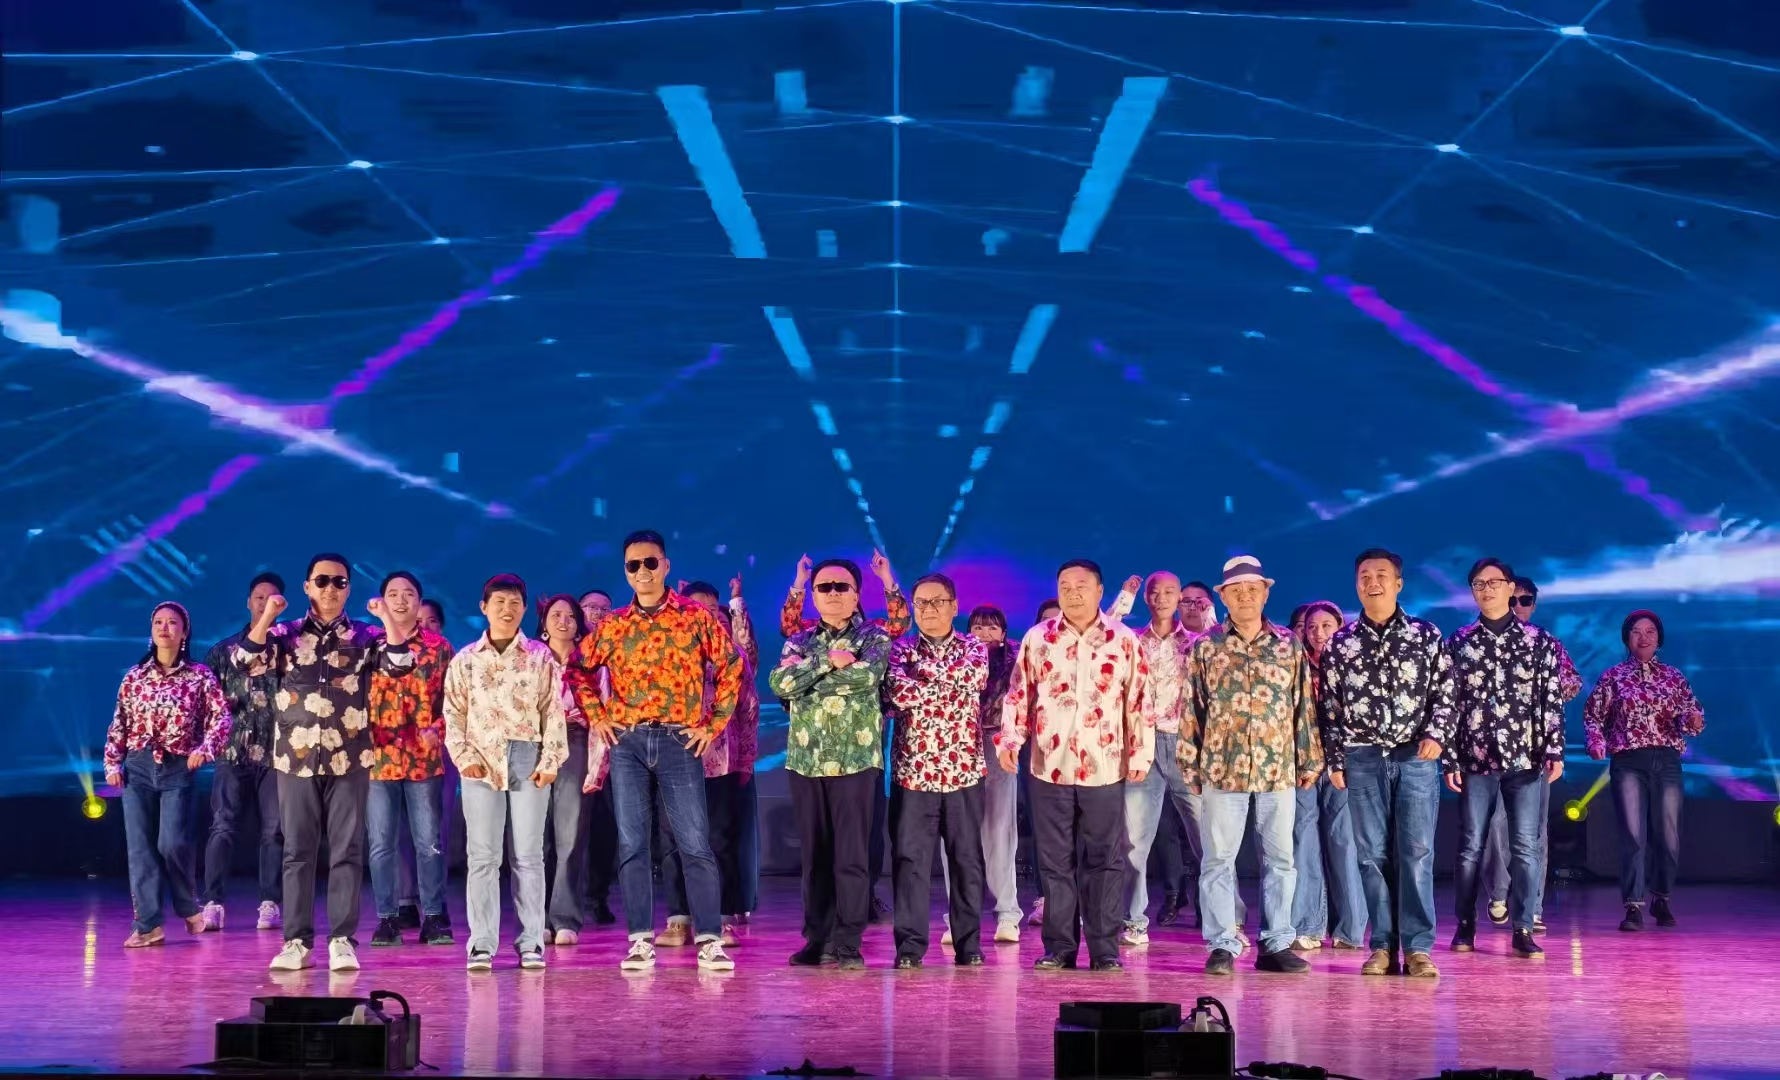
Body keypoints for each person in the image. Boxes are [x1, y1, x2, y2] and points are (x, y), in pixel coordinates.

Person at [568, 530, 743, 973]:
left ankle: (709, 940)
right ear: (626, 572)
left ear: (666, 565)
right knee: (632, 844)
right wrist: (598, 715)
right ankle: (640, 941)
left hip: (679, 739)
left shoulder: (694, 617)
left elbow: (731, 664)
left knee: (694, 843)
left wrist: (713, 725)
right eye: (634, 565)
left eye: (650, 562)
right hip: (627, 742)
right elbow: (578, 669)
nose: (643, 571)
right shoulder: (614, 625)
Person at [235, 553, 418, 973]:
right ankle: (296, 942)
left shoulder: (366, 635)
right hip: (296, 758)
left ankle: (341, 940)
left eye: (339, 582)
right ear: (307, 587)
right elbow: (245, 662)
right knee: (297, 851)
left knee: (347, 851)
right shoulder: (284, 634)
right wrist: (267, 616)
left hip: (349, 757)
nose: (331, 589)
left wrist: (387, 616)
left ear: (348, 588)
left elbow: (401, 664)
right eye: (322, 581)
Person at [997, 559, 1150, 972]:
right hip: (1049, 763)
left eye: (1082, 585)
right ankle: (1060, 947)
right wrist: (1011, 739)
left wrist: (1140, 752)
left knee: (1105, 858)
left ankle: (1104, 949)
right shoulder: (1039, 637)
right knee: (1054, 859)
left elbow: (1138, 699)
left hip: (1105, 763)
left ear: (1100, 591)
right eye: (1065, 585)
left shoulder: (1123, 639)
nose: (1073, 592)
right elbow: (1019, 693)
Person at [1319, 548, 1453, 978]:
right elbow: (1330, 706)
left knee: (1416, 852)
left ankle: (1417, 948)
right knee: (1371, 855)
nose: (1372, 582)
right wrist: (1335, 759)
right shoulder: (1341, 642)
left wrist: (1436, 734)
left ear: (1398, 583)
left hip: (1415, 755)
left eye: (1381, 574)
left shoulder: (1425, 635)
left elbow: (1446, 692)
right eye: (1364, 575)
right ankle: (1381, 945)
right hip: (1362, 756)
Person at [1182, 556, 1320, 975]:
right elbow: (1192, 708)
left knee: (1281, 860)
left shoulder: (1288, 644)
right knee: (1217, 860)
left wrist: (1309, 757)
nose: (1245, 596)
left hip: (1277, 767)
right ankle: (1222, 943)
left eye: (1252, 589)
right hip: (1222, 768)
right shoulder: (1206, 646)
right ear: (1224, 597)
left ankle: (1277, 942)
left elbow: (1303, 705)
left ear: (1265, 594)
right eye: (1236, 590)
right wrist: (1190, 765)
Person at [772, 557, 894, 970]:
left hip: (856, 759)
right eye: (824, 587)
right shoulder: (800, 639)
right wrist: (827, 661)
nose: (833, 594)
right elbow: (780, 682)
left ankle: (847, 942)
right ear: (814, 595)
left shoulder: (873, 635)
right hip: (806, 760)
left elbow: (867, 677)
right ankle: (816, 939)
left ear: (856, 594)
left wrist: (807, 677)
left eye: (842, 587)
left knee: (852, 857)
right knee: (815, 857)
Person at [443, 574, 569, 971]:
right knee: (482, 856)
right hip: (480, 759)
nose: (507, 609)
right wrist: (464, 757)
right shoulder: (465, 660)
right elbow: (453, 714)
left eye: (515, 602)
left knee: (529, 856)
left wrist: (550, 761)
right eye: (499, 602)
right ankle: (481, 943)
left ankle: (531, 942)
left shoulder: (539, 656)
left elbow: (553, 710)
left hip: (527, 755)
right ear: (484, 607)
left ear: (525, 608)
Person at [1447, 557, 1566, 959]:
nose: (1487, 590)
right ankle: (1465, 926)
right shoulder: (1460, 641)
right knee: (1470, 846)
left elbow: (1550, 698)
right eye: (1479, 584)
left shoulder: (1538, 641)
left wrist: (1554, 749)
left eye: (1494, 583)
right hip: (1476, 758)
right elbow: (1448, 704)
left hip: (1525, 757)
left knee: (1525, 846)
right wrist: (1450, 759)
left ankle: (1523, 926)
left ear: (1511, 588)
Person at [106, 602, 231, 948]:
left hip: (177, 767)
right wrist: (113, 763)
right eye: (158, 622)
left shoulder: (199, 676)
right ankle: (148, 925)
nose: (164, 628)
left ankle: (187, 905)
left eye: (172, 623)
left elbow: (222, 717)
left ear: (184, 631)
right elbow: (120, 721)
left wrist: (205, 749)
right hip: (137, 767)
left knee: (171, 843)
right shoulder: (135, 676)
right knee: (141, 849)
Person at [884, 573, 990, 968]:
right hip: (913, 772)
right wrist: (946, 685)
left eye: (937, 601)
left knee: (966, 861)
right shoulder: (899, 649)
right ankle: (910, 948)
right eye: (921, 603)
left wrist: (922, 680)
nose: (928, 609)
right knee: (909, 862)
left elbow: (974, 678)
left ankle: (969, 945)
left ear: (954, 606)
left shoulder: (973, 646)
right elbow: (897, 692)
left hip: (963, 771)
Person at [1584, 610, 1703, 932]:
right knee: (1633, 836)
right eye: (1636, 631)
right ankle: (1633, 906)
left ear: (1659, 638)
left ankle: (1661, 897)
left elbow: (1691, 715)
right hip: (1628, 762)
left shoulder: (1673, 676)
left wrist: (1693, 721)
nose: (1644, 637)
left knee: (1668, 836)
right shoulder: (1613, 676)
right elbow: (1593, 715)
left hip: (1666, 760)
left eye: (1650, 631)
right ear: (1627, 638)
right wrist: (1596, 741)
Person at [1477, 576, 1584, 931]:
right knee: (1495, 825)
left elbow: (1570, 684)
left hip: (1533, 750)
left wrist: (1539, 690)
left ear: (1534, 605)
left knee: (1534, 831)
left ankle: (1532, 907)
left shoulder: (1545, 642)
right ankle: (1498, 892)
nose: (1519, 606)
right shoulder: (1480, 639)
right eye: (1514, 600)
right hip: (1490, 751)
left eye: (1526, 601)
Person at [658, 577, 760, 949]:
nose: (706, 615)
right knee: (673, 840)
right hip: (672, 760)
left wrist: (745, 760)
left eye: (713, 609)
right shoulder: (664, 651)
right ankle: (679, 918)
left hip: (721, 761)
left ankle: (721, 917)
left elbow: (749, 710)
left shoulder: (731, 656)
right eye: (697, 608)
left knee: (719, 838)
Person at [365, 571, 455, 948]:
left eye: (409, 594)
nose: (401, 600)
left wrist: (439, 728)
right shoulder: (368, 645)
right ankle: (387, 919)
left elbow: (453, 700)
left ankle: (433, 917)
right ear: (382, 601)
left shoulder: (439, 647)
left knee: (428, 841)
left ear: (419, 602)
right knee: (381, 843)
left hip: (423, 758)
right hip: (379, 757)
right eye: (393, 594)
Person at [1114, 572, 1201, 948]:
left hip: (1185, 746)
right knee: (1134, 840)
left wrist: (1207, 613)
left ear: (1180, 598)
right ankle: (1133, 920)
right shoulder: (1133, 640)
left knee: (1208, 839)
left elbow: (1220, 644)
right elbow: (1104, 632)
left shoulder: (1196, 642)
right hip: (1143, 745)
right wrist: (1125, 597)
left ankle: (1226, 919)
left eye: (1169, 592)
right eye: (1155, 592)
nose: (1162, 597)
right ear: (1147, 598)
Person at [200, 572, 285, 933]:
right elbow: (205, 700)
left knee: (274, 830)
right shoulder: (224, 651)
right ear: (249, 602)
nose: (265, 603)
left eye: (272, 598)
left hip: (277, 753)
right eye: (258, 597)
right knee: (223, 825)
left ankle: (270, 902)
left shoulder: (290, 649)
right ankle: (213, 902)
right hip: (232, 751)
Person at [1289, 601, 1366, 953]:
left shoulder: (1354, 663)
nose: (1318, 633)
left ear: (1340, 627)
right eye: (1311, 627)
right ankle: (1307, 924)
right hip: (1303, 764)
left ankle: (1350, 928)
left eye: (1326, 626)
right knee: (1303, 841)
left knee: (1344, 841)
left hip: (1344, 764)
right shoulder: (1296, 664)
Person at [535, 595, 601, 946]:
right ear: (544, 623)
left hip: (576, 739)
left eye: (570, 616)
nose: (563, 621)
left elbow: (604, 708)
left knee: (571, 834)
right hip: (534, 743)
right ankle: (537, 917)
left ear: (578, 624)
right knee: (535, 836)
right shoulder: (530, 658)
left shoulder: (591, 660)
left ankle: (565, 917)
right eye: (555, 615)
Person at [575, 589, 620, 926]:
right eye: (592, 607)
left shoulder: (618, 645)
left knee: (607, 826)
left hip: (613, 746)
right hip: (576, 744)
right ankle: (567, 898)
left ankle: (598, 896)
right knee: (571, 825)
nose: (599, 614)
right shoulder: (570, 648)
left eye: (605, 608)